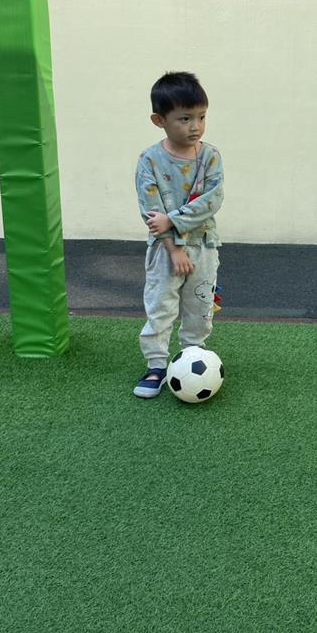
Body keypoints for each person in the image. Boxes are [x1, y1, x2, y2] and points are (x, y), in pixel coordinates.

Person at [133, 71, 224, 398]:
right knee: (161, 306)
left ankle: (192, 353)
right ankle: (156, 365)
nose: (195, 126)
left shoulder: (210, 156)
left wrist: (172, 220)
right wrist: (173, 249)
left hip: (203, 246)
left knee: (199, 306)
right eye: (185, 119)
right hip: (165, 251)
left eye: (201, 117)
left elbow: (212, 199)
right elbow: (151, 211)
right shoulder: (149, 160)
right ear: (159, 120)